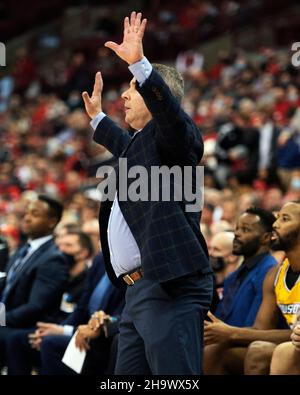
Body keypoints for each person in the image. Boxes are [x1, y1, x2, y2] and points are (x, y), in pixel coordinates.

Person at [82, 11, 213, 375]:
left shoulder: (174, 137)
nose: (123, 94)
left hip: (169, 285)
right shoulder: (142, 145)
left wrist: (140, 65)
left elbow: (171, 119)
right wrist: (97, 120)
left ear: (157, 98)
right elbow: (126, 148)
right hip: (138, 291)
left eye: (131, 88)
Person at [203, 202, 300, 375]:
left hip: (290, 348)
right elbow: (261, 330)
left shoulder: (264, 269)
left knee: (260, 351)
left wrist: (232, 333)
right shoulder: (274, 275)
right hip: (289, 345)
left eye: (285, 219)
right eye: (277, 218)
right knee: (215, 351)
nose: (275, 224)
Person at [6, 252, 125, 375]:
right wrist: (61, 328)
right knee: (18, 339)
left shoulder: (130, 266)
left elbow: (120, 317)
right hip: (81, 330)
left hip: (104, 338)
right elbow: (81, 307)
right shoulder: (100, 259)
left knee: (50, 343)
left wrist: (65, 331)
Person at [0, 195, 69, 367]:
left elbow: (36, 307)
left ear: (52, 222)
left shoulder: (53, 258)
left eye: (35, 214)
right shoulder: (23, 249)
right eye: (27, 213)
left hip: (28, 328)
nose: (27, 218)